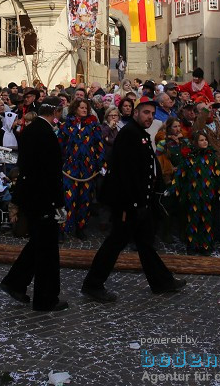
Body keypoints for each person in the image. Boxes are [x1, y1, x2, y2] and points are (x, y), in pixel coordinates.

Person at [80, 100, 185, 302]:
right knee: (115, 243)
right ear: (136, 113)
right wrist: (132, 204)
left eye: (152, 114)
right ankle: (93, 284)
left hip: (139, 201)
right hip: (128, 202)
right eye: (146, 112)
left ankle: (162, 281)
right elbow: (125, 173)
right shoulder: (130, 134)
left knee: (145, 243)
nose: (149, 116)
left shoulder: (139, 134)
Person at [0, 98, 68, 312]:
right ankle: (45, 298)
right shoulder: (46, 134)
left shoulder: (30, 130)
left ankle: (15, 282)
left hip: (32, 195)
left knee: (38, 244)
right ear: (55, 112)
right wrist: (58, 203)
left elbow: (25, 167)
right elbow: (51, 173)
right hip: (44, 198)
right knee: (47, 250)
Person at [59, 98, 102, 238]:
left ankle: (81, 228)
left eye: (86, 108)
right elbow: (60, 145)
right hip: (70, 169)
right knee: (68, 200)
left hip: (88, 169)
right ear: (75, 108)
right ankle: (65, 228)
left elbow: (99, 145)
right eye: (81, 107)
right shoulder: (66, 125)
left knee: (85, 200)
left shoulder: (93, 125)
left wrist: (101, 163)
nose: (84, 110)